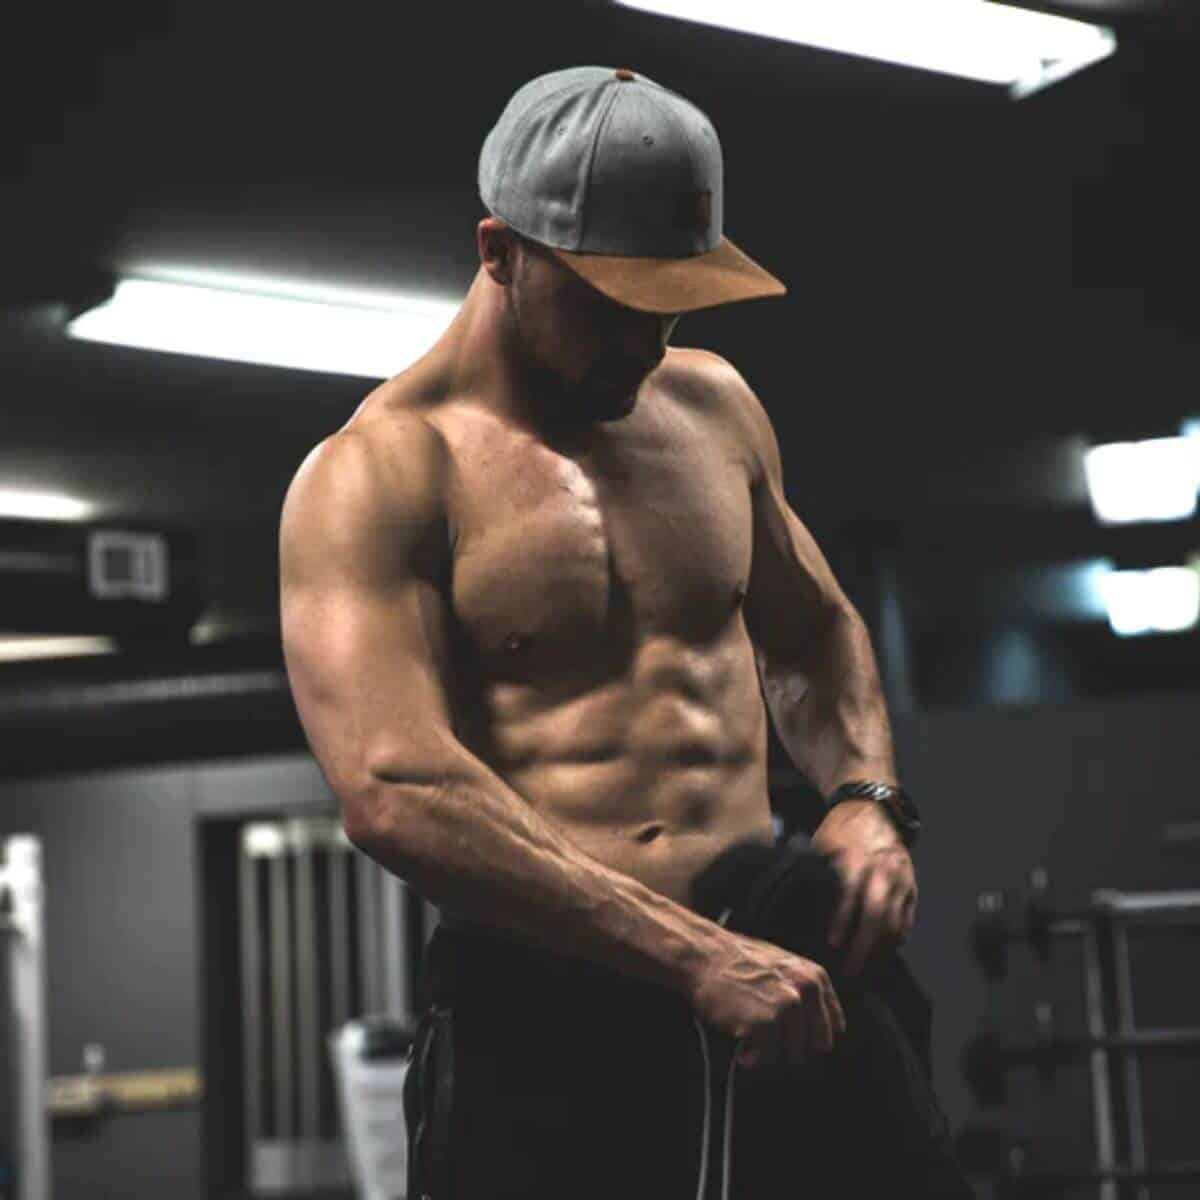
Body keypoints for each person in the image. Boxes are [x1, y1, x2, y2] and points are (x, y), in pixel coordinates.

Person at [280, 66, 971, 1199]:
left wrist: (866, 803)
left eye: (670, 304)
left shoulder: (713, 408)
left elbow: (813, 635)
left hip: (782, 968)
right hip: (551, 1008)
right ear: (500, 252)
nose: (647, 343)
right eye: (610, 306)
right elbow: (395, 788)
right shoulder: (379, 474)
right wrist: (690, 955)